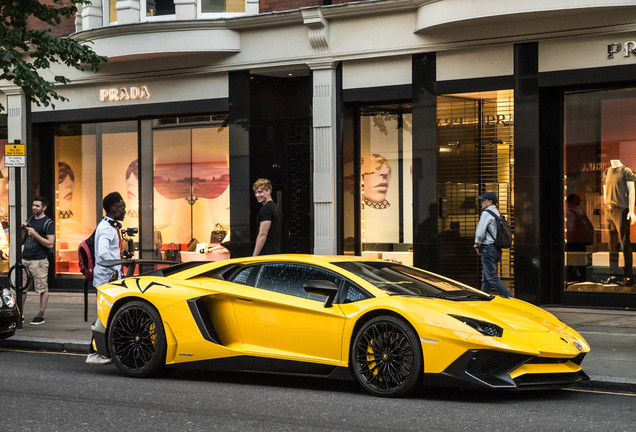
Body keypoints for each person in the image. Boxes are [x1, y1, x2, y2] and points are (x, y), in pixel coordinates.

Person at [86, 192, 126, 365]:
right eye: (121, 208)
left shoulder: (110, 226)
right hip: (106, 280)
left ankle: (107, 351)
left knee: (109, 317)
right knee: (104, 318)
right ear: (113, 209)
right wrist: (114, 268)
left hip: (110, 278)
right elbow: (102, 255)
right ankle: (93, 352)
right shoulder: (106, 229)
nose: (125, 211)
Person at [21, 196, 55, 325]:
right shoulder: (30, 220)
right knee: (21, 288)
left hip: (39, 260)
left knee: (42, 288)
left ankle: (40, 315)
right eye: (33, 205)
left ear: (44, 208)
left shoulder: (48, 223)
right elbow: (23, 240)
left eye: (37, 206)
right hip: (25, 259)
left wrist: (35, 234)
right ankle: (20, 313)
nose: (34, 208)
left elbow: (50, 244)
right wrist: (23, 229)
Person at [602, 159, 636, 286]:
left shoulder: (625, 171)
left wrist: (631, 211)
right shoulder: (606, 172)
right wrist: (606, 201)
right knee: (611, 245)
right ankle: (614, 273)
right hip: (609, 210)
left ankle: (628, 276)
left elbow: (632, 191)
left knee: (624, 243)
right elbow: (605, 189)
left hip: (621, 210)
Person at [473, 192, 511, 298]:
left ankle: (509, 298)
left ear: (490, 202)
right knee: (486, 277)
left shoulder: (486, 213)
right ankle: (483, 298)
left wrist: (477, 245)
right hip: (496, 249)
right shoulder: (497, 213)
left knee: (491, 277)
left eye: (483, 201)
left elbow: (480, 232)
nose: (481, 203)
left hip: (488, 248)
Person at [252, 178, 282, 256]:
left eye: (260, 192)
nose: (257, 195)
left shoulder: (266, 209)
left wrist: (254, 256)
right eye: (255, 192)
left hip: (266, 256)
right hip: (275, 253)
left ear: (268, 191)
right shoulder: (276, 208)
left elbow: (262, 235)